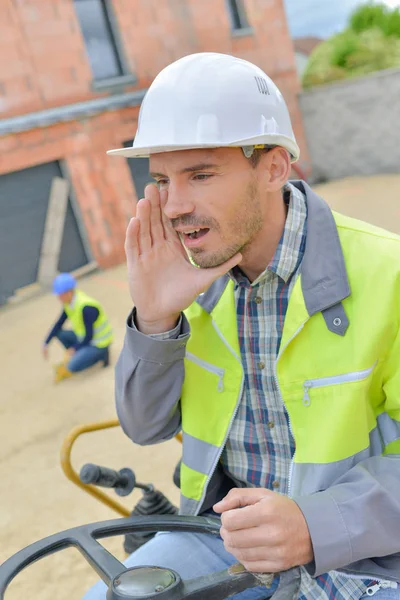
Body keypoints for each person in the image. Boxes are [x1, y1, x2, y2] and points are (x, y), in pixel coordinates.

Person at [83, 53, 400, 599]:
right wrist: (155, 321)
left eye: (200, 174)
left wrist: (313, 524)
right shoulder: (190, 278)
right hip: (221, 538)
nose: (175, 206)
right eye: (161, 179)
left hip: (366, 551)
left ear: (274, 167)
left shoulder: (388, 274)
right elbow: (144, 427)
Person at [42, 273, 112, 382]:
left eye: (60, 295)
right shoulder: (69, 303)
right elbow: (58, 323)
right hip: (84, 338)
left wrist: (74, 348)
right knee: (60, 333)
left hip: (99, 343)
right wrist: (46, 343)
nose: (58, 298)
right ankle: (81, 354)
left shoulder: (86, 307)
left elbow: (89, 336)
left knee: (71, 367)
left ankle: (100, 355)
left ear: (69, 292)